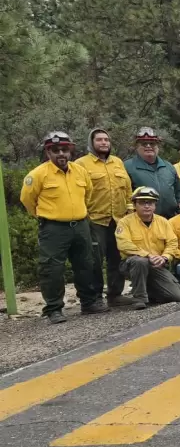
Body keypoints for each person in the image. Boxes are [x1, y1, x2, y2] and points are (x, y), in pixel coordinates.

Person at [21, 132, 102, 323]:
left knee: (85, 264)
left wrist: (80, 213)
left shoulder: (80, 171)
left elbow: (88, 194)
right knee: (52, 269)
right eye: (55, 150)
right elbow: (27, 200)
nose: (61, 154)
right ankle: (54, 309)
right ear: (48, 152)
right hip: (54, 229)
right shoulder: (37, 175)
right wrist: (43, 215)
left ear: (70, 151)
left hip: (81, 225)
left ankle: (89, 303)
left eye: (64, 150)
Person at [76, 128, 135, 309]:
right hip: (95, 220)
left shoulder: (117, 162)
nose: (104, 143)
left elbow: (127, 189)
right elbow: (78, 191)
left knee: (116, 258)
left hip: (117, 219)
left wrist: (130, 208)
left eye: (106, 140)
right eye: (99, 140)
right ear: (91, 143)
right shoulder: (81, 164)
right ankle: (95, 298)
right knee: (94, 260)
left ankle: (115, 295)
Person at [116, 187, 180, 308]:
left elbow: (172, 242)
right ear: (134, 205)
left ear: (155, 205)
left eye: (150, 202)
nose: (147, 206)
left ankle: (153, 290)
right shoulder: (125, 222)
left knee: (177, 296)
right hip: (132, 263)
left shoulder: (163, 222)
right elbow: (123, 244)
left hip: (157, 264)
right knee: (140, 262)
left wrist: (164, 257)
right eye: (142, 202)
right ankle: (139, 298)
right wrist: (148, 255)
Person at [124, 127, 180, 218]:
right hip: (141, 220)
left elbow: (179, 191)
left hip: (170, 219)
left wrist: (179, 211)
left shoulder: (168, 166)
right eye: (144, 144)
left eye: (152, 143)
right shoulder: (127, 166)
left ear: (157, 146)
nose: (148, 146)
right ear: (137, 147)